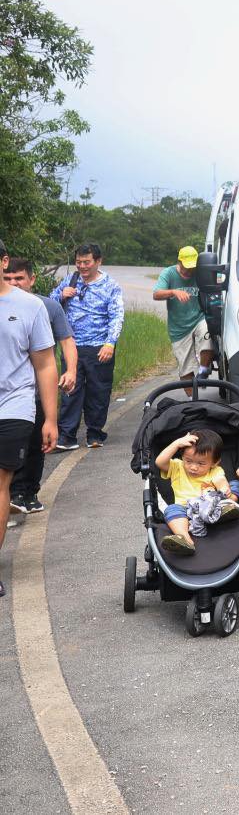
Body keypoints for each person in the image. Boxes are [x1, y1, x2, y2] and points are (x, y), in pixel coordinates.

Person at [0, 240, 59, 597]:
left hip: (13, 405)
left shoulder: (29, 306)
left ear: (3, 261)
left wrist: (50, 418)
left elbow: (45, 363)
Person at [3, 258, 76, 516]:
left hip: (32, 392)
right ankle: (13, 494)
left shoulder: (45, 307)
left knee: (35, 446)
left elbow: (66, 341)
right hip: (15, 393)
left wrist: (70, 370)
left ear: (32, 279)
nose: (14, 283)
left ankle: (25, 492)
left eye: (19, 278)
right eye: (9, 279)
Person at [51, 243, 122, 451]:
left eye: (87, 262)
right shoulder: (70, 280)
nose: (82, 266)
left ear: (98, 261)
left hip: (99, 346)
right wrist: (62, 294)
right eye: (79, 262)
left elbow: (117, 316)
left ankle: (95, 432)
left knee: (98, 391)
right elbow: (50, 303)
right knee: (70, 389)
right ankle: (67, 436)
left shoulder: (110, 285)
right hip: (71, 345)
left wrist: (111, 342)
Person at [153, 429, 239, 555]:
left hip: (210, 506)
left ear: (214, 463)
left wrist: (224, 489)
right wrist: (177, 443)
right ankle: (185, 539)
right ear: (182, 457)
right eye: (188, 461)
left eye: (201, 463)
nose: (193, 467)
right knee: (171, 509)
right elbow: (159, 462)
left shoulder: (215, 471)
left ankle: (227, 507)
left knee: (235, 485)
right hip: (186, 511)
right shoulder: (177, 467)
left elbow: (220, 481)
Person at [152, 245, 213, 394]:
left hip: (198, 318)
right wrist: (173, 292)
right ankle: (192, 401)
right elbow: (156, 294)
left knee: (207, 333)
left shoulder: (199, 273)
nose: (190, 270)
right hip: (179, 327)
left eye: (192, 266)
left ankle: (204, 369)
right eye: (187, 267)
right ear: (179, 261)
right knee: (185, 367)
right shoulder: (169, 273)